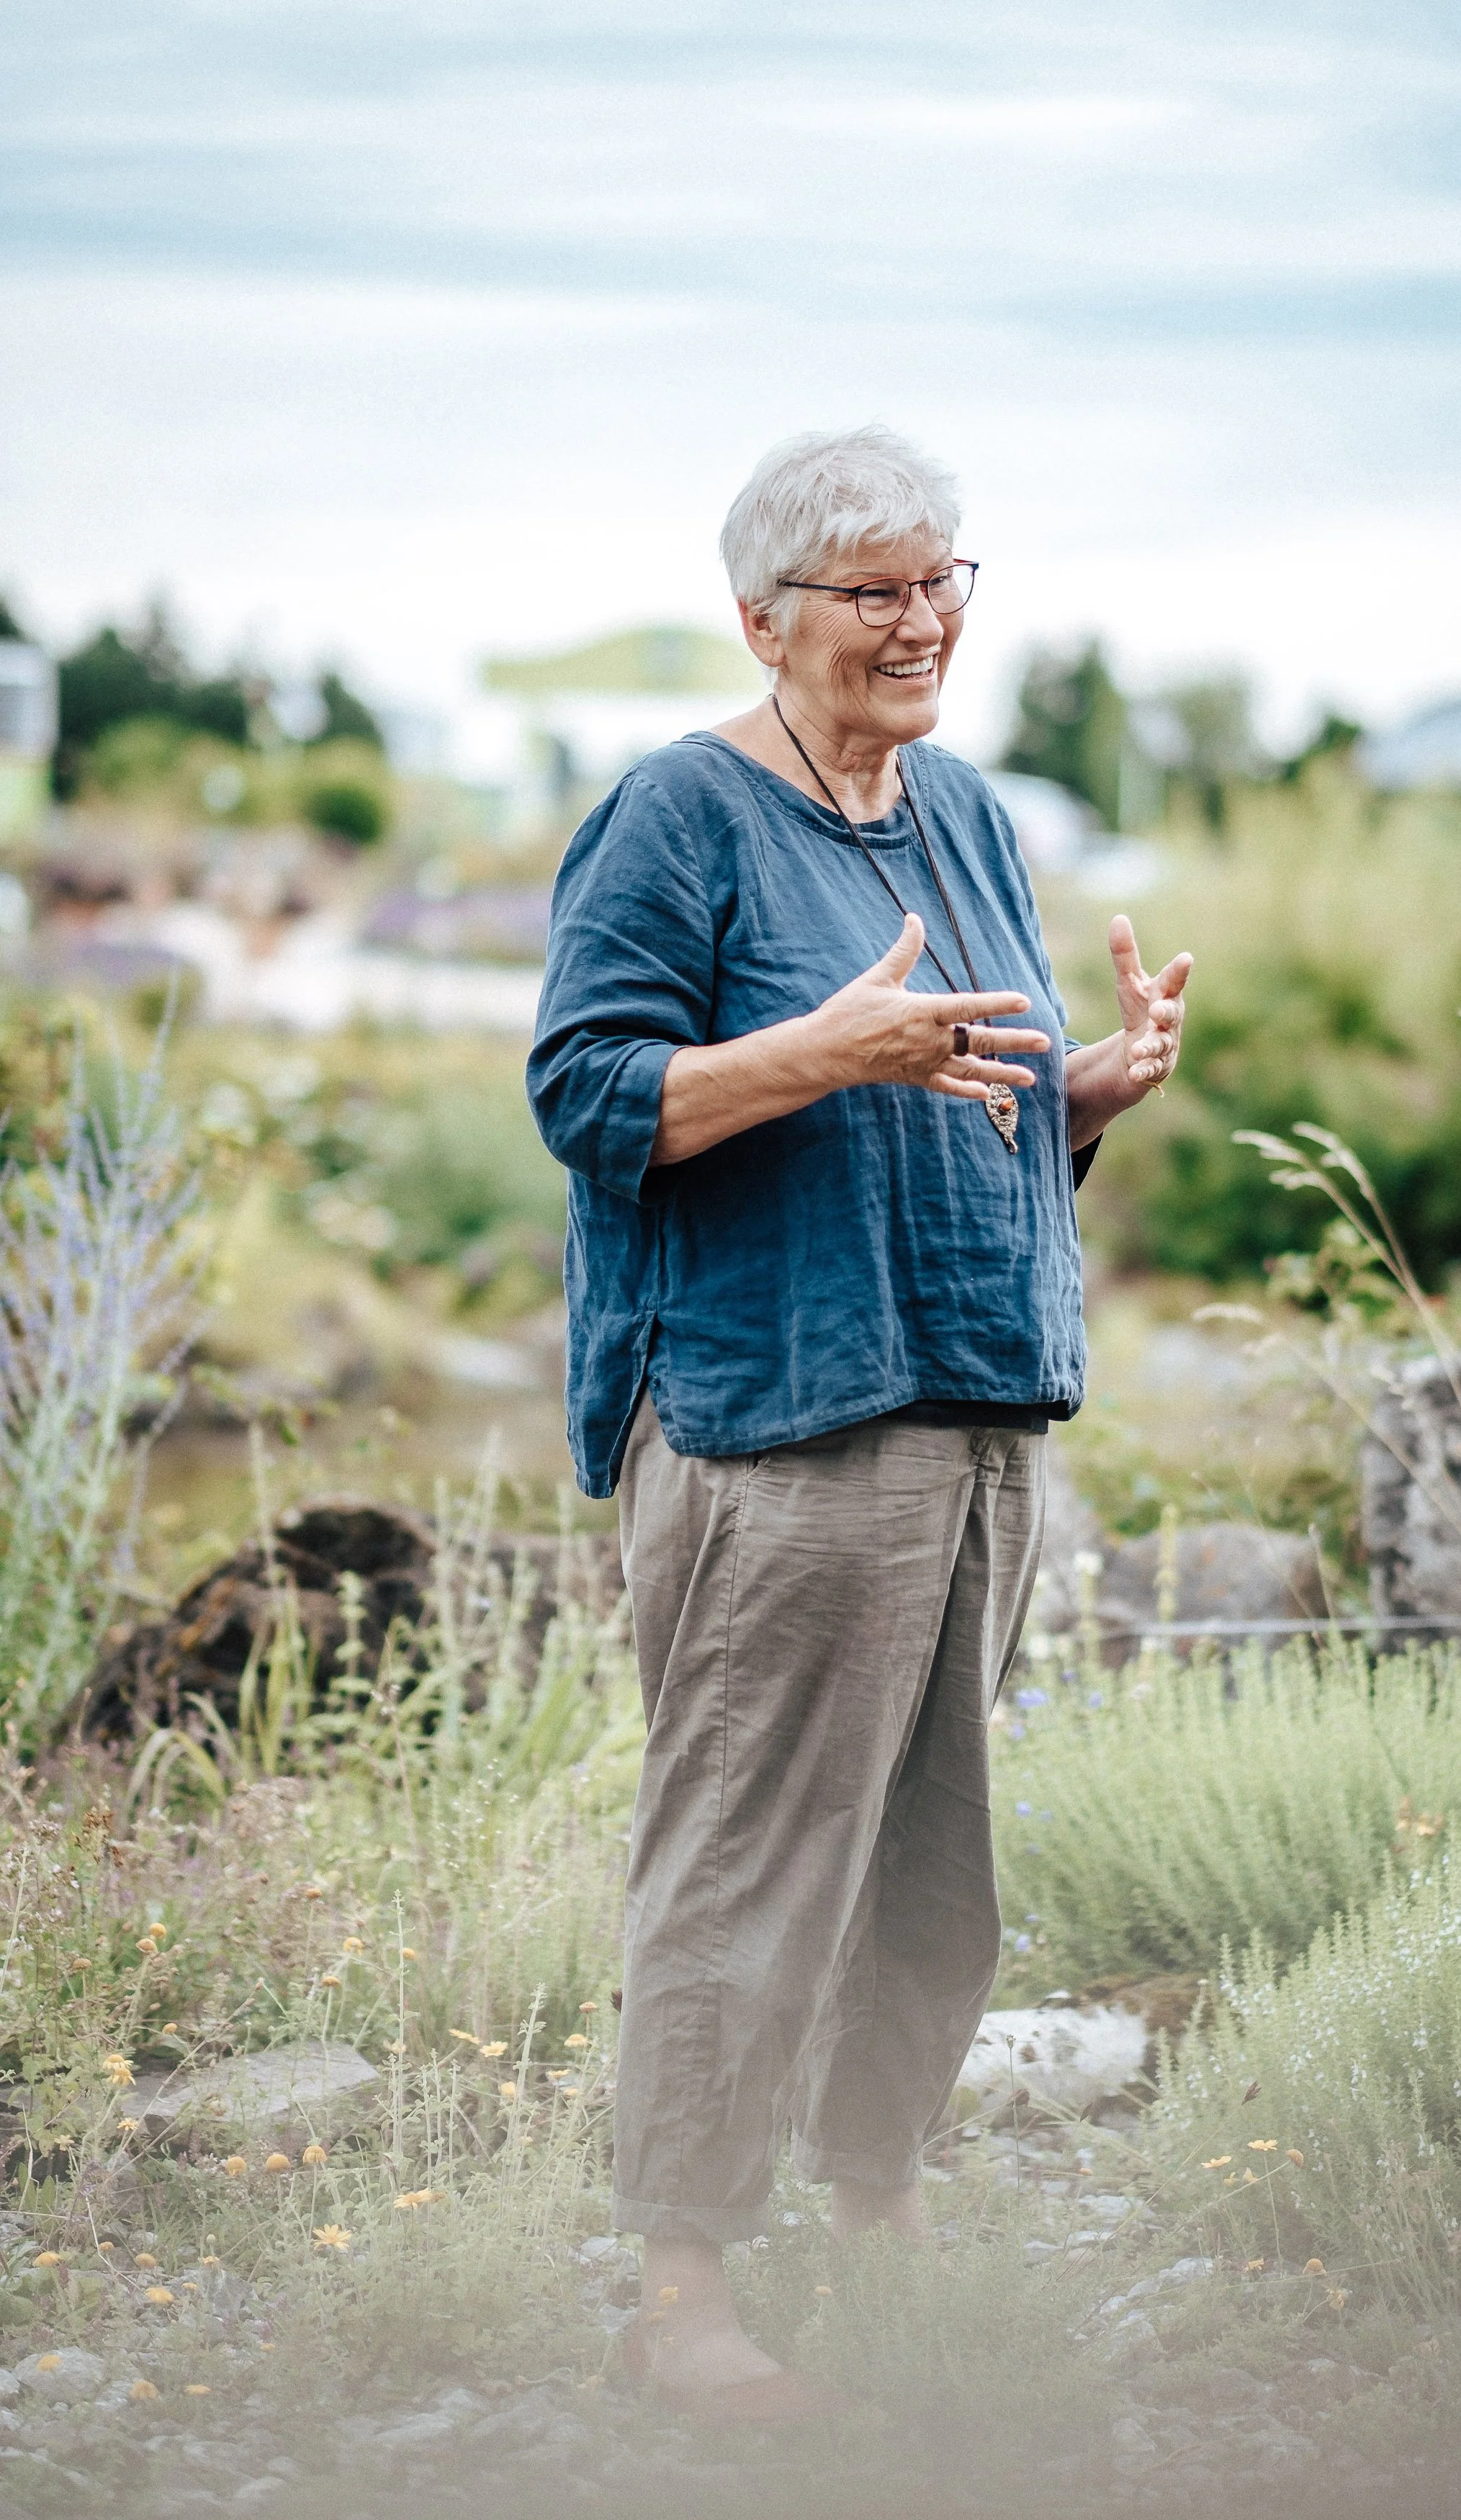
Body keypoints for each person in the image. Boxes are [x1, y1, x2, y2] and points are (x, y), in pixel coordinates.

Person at [527, 424, 1191, 2419]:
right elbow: (588, 1094)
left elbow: (947, 1096)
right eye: (876, 590)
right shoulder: (676, 815)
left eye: (943, 581)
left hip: (974, 1402)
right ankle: (679, 2292)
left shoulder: (965, 810)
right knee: (746, 1862)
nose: (922, 622)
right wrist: (812, 1050)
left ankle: (876, 2196)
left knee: (930, 1862)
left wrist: (1076, 1092)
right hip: (773, 1419)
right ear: (763, 617)